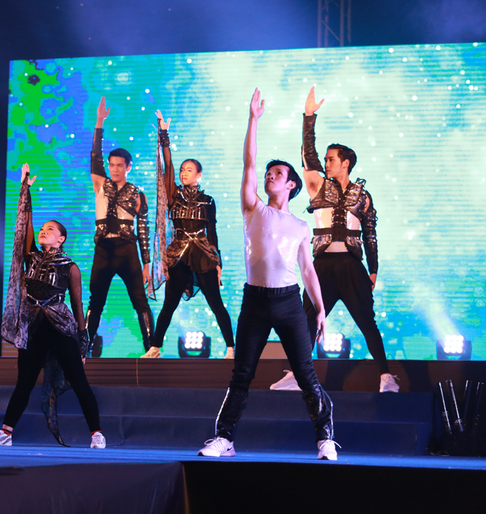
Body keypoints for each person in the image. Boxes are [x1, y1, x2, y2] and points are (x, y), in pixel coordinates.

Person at [199, 89, 337, 460]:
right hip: (255, 301)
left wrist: (320, 309)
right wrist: (253, 119)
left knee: (305, 374)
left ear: (291, 184)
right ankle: (224, 439)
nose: (268, 176)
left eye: (277, 174)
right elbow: (249, 162)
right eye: (268, 173)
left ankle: (325, 438)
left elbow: (308, 270)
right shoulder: (253, 209)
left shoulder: (301, 226)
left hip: (288, 302)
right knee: (242, 374)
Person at [270, 87, 397, 393]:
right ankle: (297, 375)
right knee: (306, 321)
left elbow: (370, 233)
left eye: (331, 159)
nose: (326, 163)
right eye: (326, 159)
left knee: (367, 322)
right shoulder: (317, 186)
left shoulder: (362, 195)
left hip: (351, 266)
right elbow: (308, 154)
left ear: (345, 163)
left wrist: (374, 269)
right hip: (322, 266)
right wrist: (309, 117)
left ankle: (386, 377)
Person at [0, 164, 104, 449]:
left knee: (79, 381)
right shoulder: (30, 258)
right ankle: (6, 433)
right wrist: (24, 189)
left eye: (49, 230)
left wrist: (82, 343)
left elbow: (77, 306)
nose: (43, 231)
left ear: (61, 239)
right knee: (24, 382)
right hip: (33, 328)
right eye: (42, 229)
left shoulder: (70, 267)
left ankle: (96, 434)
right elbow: (24, 227)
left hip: (61, 328)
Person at [142, 110, 235, 359]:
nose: (184, 173)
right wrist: (164, 136)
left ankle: (230, 348)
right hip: (178, 254)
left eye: (189, 170)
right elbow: (168, 165)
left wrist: (218, 262)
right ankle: (154, 347)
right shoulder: (174, 195)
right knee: (169, 304)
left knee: (216, 303)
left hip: (203, 254)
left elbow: (212, 231)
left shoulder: (208, 200)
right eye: (183, 169)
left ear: (199, 174)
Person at [86, 97, 154, 355]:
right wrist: (99, 122)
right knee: (96, 301)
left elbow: (144, 230)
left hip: (127, 250)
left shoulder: (137, 194)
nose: (114, 169)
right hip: (103, 249)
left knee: (140, 300)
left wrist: (146, 264)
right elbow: (95, 156)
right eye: (111, 165)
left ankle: (151, 348)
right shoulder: (100, 184)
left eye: (119, 165)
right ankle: (85, 347)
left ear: (128, 167)